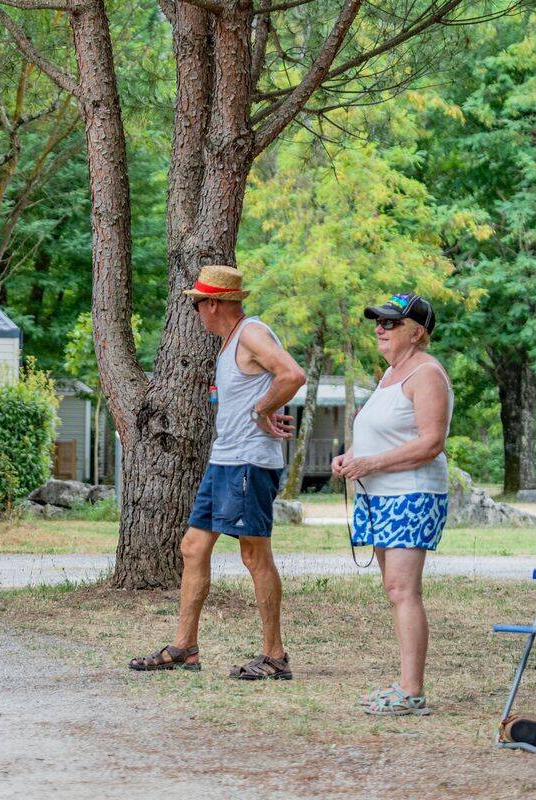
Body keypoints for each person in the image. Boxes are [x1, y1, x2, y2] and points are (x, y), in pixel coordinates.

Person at [128, 265, 306, 679]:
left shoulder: (251, 334)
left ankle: (275, 656)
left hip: (249, 462)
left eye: (196, 304)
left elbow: (293, 374)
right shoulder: (230, 343)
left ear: (213, 304)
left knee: (253, 553)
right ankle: (184, 647)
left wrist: (261, 409)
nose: (195, 313)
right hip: (224, 460)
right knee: (193, 546)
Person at [333, 292, 452, 717]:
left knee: (403, 590)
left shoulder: (427, 374)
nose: (380, 329)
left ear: (417, 332)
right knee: (393, 590)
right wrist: (351, 457)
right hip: (380, 493)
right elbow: (385, 433)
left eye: (391, 323)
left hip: (412, 493)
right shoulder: (390, 374)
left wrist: (371, 461)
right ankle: (405, 684)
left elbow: (431, 442)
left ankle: (412, 691)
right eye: (378, 322)